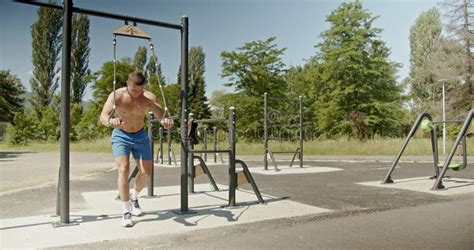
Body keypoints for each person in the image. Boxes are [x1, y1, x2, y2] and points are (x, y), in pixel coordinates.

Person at [99, 71, 173, 227]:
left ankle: (134, 196)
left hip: (140, 135)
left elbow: (161, 114)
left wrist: (165, 121)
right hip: (121, 135)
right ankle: (126, 210)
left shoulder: (148, 98)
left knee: (146, 172)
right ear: (127, 84)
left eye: (140, 90)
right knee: (124, 169)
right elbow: (103, 117)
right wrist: (110, 121)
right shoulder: (117, 96)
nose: (136, 93)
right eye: (133, 90)